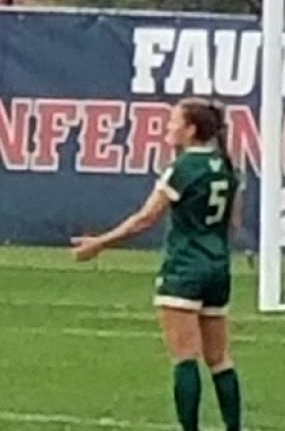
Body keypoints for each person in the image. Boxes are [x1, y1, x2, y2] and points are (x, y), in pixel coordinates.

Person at [70, 98, 243, 431]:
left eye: (173, 122)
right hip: (218, 268)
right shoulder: (226, 166)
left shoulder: (181, 169)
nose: (168, 128)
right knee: (219, 359)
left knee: (185, 356)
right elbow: (233, 223)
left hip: (184, 269)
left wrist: (99, 243)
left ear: (191, 130)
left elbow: (145, 218)